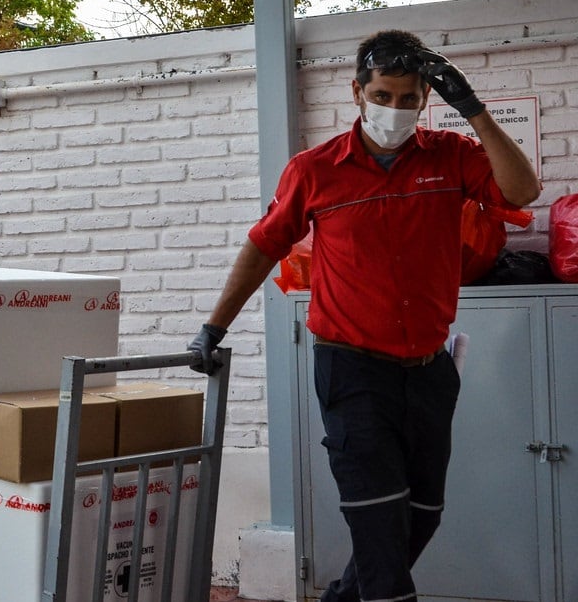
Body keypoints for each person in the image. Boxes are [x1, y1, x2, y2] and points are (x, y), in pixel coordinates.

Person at [188, 30, 541, 602]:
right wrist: (214, 326)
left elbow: (522, 191)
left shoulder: (451, 157)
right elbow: (262, 247)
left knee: (419, 518)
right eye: (383, 95)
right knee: (380, 535)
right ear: (357, 92)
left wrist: (472, 110)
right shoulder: (315, 169)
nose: (395, 109)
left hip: (429, 372)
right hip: (352, 371)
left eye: (409, 99)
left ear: (426, 99)